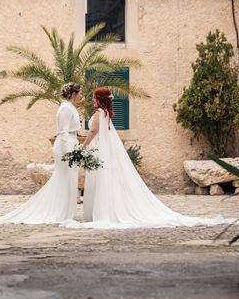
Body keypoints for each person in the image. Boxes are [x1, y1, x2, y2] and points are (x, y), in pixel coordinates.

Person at [70, 87, 225, 229]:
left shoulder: (99, 113)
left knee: (99, 181)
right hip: (99, 150)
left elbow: (92, 132)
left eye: (94, 97)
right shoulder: (106, 113)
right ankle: (104, 211)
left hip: (97, 150)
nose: (92, 99)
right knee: (104, 181)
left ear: (99, 99)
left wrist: (82, 148)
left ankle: (100, 213)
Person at [0, 82, 82, 225]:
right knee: (64, 179)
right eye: (79, 93)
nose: (81, 96)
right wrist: (69, 152)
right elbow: (62, 133)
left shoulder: (70, 108)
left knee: (68, 179)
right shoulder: (65, 109)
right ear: (73, 95)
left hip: (71, 144)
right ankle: (59, 211)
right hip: (65, 147)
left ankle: (65, 212)